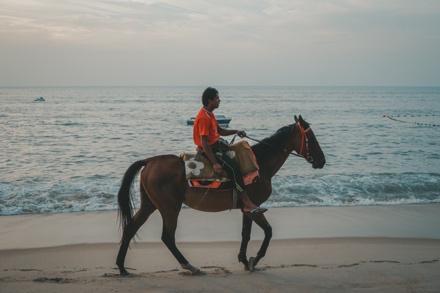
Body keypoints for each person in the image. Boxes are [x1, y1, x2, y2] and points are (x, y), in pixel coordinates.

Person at [193, 87, 267, 215]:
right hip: (210, 150)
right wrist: (215, 163)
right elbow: (204, 142)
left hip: (217, 145)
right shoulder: (203, 117)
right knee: (234, 169)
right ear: (210, 100)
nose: (219, 100)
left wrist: (236, 131)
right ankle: (246, 202)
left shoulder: (210, 114)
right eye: (217, 98)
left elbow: (220, 131)